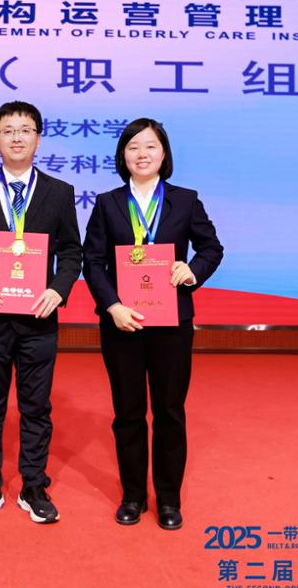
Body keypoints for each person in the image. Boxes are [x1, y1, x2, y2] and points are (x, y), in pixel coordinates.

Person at [82, 118, 223, 531]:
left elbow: (211, 248)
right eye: (133, 147)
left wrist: (192, 270)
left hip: (172, 322)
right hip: (122, 323)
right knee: (128, 412)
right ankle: (132, 496)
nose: (141, 154)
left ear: (164, 153)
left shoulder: (185, 200)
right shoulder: (107, 203)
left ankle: (168, 499)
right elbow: (93, 261)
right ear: (122, 155)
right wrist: (112, 305)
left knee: (169, 412)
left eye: (150, 146)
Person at [0, 101, 83, 524]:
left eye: (25, 129)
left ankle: (34, 486)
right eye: (8, 130)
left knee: (36, 408)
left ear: (38, 138)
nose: (17, 137)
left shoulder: (59, 192)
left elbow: (71, 251)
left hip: (39, 320)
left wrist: (58, 290)